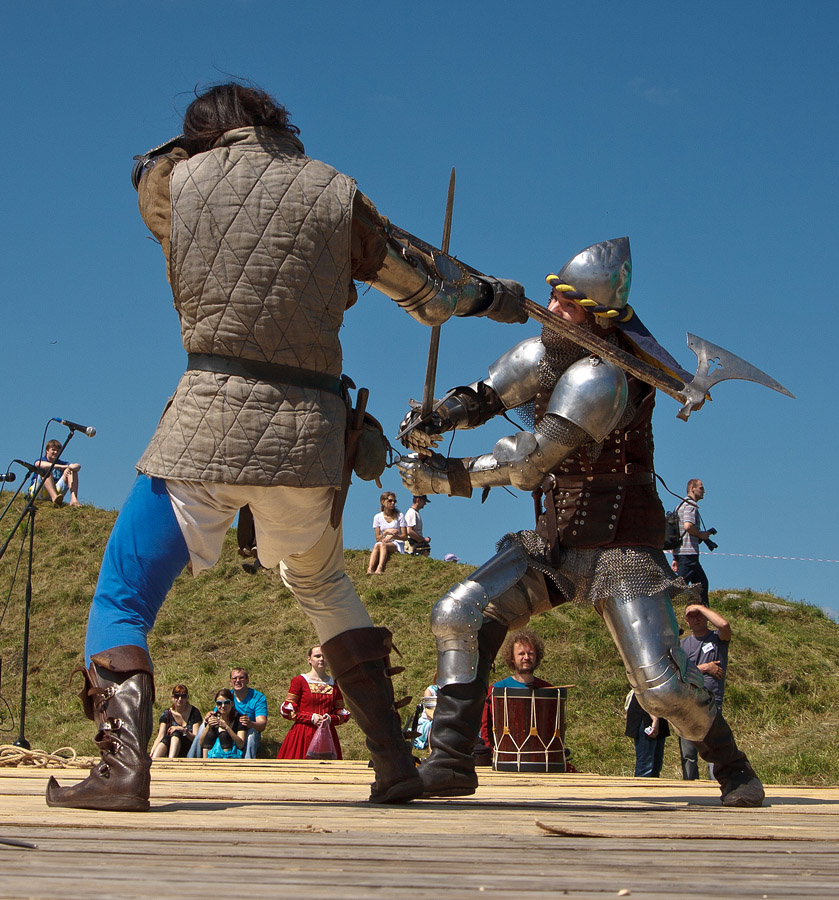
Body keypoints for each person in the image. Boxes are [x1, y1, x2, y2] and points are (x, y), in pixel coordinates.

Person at [46, 80, 526, 812]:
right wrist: (492, 296)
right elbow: (430, 295)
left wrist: (193, 149)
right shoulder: (337, 193)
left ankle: (121, 772)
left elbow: (146, 175)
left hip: (207, 427)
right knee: (325, 585)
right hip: (308, 440)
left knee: (123, 596)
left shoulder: (177, 182)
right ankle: (395, 763)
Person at [398, 238, 765, 807]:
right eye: (553, 296)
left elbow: (528, 465)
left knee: (662, 689)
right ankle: (449, 760)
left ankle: (733, 767)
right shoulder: (548, 352)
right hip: (557, 538)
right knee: (460, 612)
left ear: (599, 317)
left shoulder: (603, 377)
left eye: (566, 303)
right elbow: (485, 396)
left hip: (620, 543)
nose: (551, 308)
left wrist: (445, 475)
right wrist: (437, 417)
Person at [678, 604, 731, 779]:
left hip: (710, 701)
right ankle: (689, 785)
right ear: (686, 621)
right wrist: (705, 668)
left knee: (714, 749)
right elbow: (679, 673)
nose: (696, 619)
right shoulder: (682, 645)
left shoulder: (717, 639)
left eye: (699, 615)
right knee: (688, 753)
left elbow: (724, 625)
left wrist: (699, 607)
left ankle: (716, 785)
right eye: (691, 616)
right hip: (687, 702)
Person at [480, 629, 551, 755]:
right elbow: (485, 727)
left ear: (537, 657)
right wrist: (491, 753)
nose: (526, 657)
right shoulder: (497, 690)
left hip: (540, 757)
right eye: (521, 654)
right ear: (512, 658)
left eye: (530, 653)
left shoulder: (547, 690)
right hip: (505, 756)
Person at [277, 646, 350, 759]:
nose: (321, 659)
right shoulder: (299, 681)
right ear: (309, 659)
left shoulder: (335, 684)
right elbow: (288, 711)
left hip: (327, 735)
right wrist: (311, 717)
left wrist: (330, 719)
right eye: (317, 656)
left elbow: (340, 713)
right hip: (303, 734)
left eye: (324, 656)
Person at [672, 479, 715, 606]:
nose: (704, 491)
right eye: (701, 488)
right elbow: (688, 526)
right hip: (688, 553)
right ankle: (661, 605)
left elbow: (676, 532)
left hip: (683, 552)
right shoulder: (690, 505)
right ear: (692, 489)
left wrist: (675, 557)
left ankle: (702, 611)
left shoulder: (680, 506)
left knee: (701, 584)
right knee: (677, 587)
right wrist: (701, 535)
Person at [149, 684, 202, 759]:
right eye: (177, 696)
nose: (180, 699)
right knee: (167, 738)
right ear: (172, 698)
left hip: (189, 749)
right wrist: (152, 750)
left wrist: (183, 730)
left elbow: (196, 739)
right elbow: (160, 735)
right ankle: (154, 760)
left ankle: (171, 761)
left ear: (187, 698)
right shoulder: (167, 713)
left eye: (183, 696)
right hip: (170, 745)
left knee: (176, 733)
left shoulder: (194, 713)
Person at [625, 690, 669, 778]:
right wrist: (655, 719)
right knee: (646, 766)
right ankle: (641, 787)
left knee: (657, 764)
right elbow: (643, 692)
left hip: (660, 713)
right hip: (645, 715)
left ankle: (654, 787)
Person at [228, 668, 268, 758]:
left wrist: (250, 724)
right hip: (230, 733)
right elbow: (217, 714)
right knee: (205, 726)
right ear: (230, 681)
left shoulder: (258, 698)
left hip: (248, 735)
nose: (237, 681)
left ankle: (248, 762)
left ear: (247, 680)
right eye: (234, 678)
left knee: (252, 732)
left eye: (241, 678)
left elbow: (262, 724)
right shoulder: (227, 696)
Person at [30, 439, 81, 507]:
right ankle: (54, 498)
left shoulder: (62, 463)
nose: (56, 452)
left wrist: (69, 467)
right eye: (53, 450)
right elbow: (37, 464)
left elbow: (78, 466)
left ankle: (74, 500)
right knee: (46, 470)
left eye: (58, 451)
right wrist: (61, 467)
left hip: (56, 490)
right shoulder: (42, 460)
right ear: (47, 450)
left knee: (71, 470)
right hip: (38, 491)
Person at [367, 491, 407, 575]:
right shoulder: (377, 517)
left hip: (397, 543)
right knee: (377, 545)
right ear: (383, 502)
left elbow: (405, 536)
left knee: (382, 545)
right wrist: (386, 532)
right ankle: (370, 568)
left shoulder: (399, 516)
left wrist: (393, 536)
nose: (393, 503)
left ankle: (380, 567)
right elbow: (377, 538)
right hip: (384, 541)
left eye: (394, 501)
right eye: (390, 501)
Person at [200, 689, 247, 759]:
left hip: (232, 755)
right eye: (219, 703)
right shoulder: (213, 718)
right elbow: (201, 743)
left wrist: (227, 728)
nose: (223, 706)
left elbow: (241, 744)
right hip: (212, 755)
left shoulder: (239, 719)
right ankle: (206, 762)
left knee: (224, 735)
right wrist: (208, 727)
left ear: (232, 704)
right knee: (210, 735)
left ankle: (226, 761)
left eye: (226, 702)